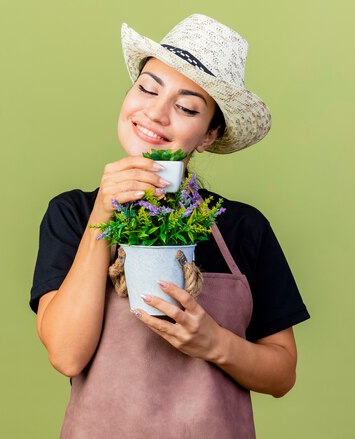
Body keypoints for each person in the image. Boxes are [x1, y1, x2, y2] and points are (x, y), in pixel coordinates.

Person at [30, 14, 310, 438]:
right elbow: (67, 355)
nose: (156, 114)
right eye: (147, 88)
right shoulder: (72, 214)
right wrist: (104, 213)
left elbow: (282, 373)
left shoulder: (243, 228)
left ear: (208, 135)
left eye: (186, 107)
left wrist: (215, 343)